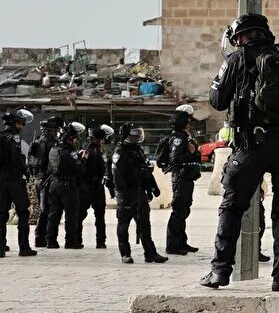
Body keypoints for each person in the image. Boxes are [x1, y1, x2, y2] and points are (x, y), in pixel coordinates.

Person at [198, 13, 279, 292]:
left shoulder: (235, 60)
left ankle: (219, 272)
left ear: (239, 37)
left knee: (232, 207)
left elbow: (217, 101)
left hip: (250, 146)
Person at [112, 124, 167, 264]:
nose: (138, 136)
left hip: (139, 192)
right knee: (124, 223)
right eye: (134, 133)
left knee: (144, 224)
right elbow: (117, 176)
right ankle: (125, 254)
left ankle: (150, 253)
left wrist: (151, 189)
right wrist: (122, 195)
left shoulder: (138, 151)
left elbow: (144, 172)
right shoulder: (120, 152)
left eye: (139, 133)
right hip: (126, 193)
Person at [159, 106, 202, 255]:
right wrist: (190, 152)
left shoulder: (185, 136)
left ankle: (181, 242)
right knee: (178, 211)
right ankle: (172, 245)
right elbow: (175, 159)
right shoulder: (177, 138)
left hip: (187, 177)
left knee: (184, 210)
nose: (190, 123)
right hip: (181, 178)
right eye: (188, 121)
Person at [0, 110, 37, 257]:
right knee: (23, 212)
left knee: (1, 215)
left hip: (1, 181)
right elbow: (16, 159)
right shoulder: (14, 138)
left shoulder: (1, 136)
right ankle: (24, 247)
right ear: (14, 124)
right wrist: (25, 170)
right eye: (20, 123)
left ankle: (1, 248)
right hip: (14, 181)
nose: (22, 126)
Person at [47, 122, 88, 250]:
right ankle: (70, 242)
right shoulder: (70, 152)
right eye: (75, 138)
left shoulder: (53, 150)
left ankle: (51, 241)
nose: (76, 141)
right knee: (71, 215)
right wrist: (83, 159)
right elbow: (79, 169)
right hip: (67, 186)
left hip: (54, 184)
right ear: (69, 138)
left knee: (54, 214)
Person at [27, 115, 61, 242]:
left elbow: (30, 162)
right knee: (47, 209)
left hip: (38, 178)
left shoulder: (36, 141)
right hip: (47, 179)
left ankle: (40, 237)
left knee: (44, 209)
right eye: (55, 130)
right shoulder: (51, 143)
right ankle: (40, 237)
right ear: (51, 130)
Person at [81, 125, 112, 250]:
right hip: (93, 187)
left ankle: (77, 239)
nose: (104, 141)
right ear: (98, 139)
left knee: (82, 214)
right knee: (99, 216)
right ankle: (100, 242)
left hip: (87, 187)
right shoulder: (94, 151)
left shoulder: (88, 149)